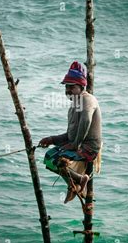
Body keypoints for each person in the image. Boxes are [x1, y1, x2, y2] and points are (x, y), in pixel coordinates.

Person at [39, 61, 102, 203]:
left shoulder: (88, 99)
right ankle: (76, 183)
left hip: (87, 148)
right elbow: (70, 135)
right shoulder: (74, 105)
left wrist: (75, 144)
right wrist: (51, 139)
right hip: (76, 144)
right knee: (49, 157)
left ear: (81, 86)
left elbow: (86, 121)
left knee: (58, 161)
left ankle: (79, 181)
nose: (68, 90)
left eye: (71, 87)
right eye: (66, 87)